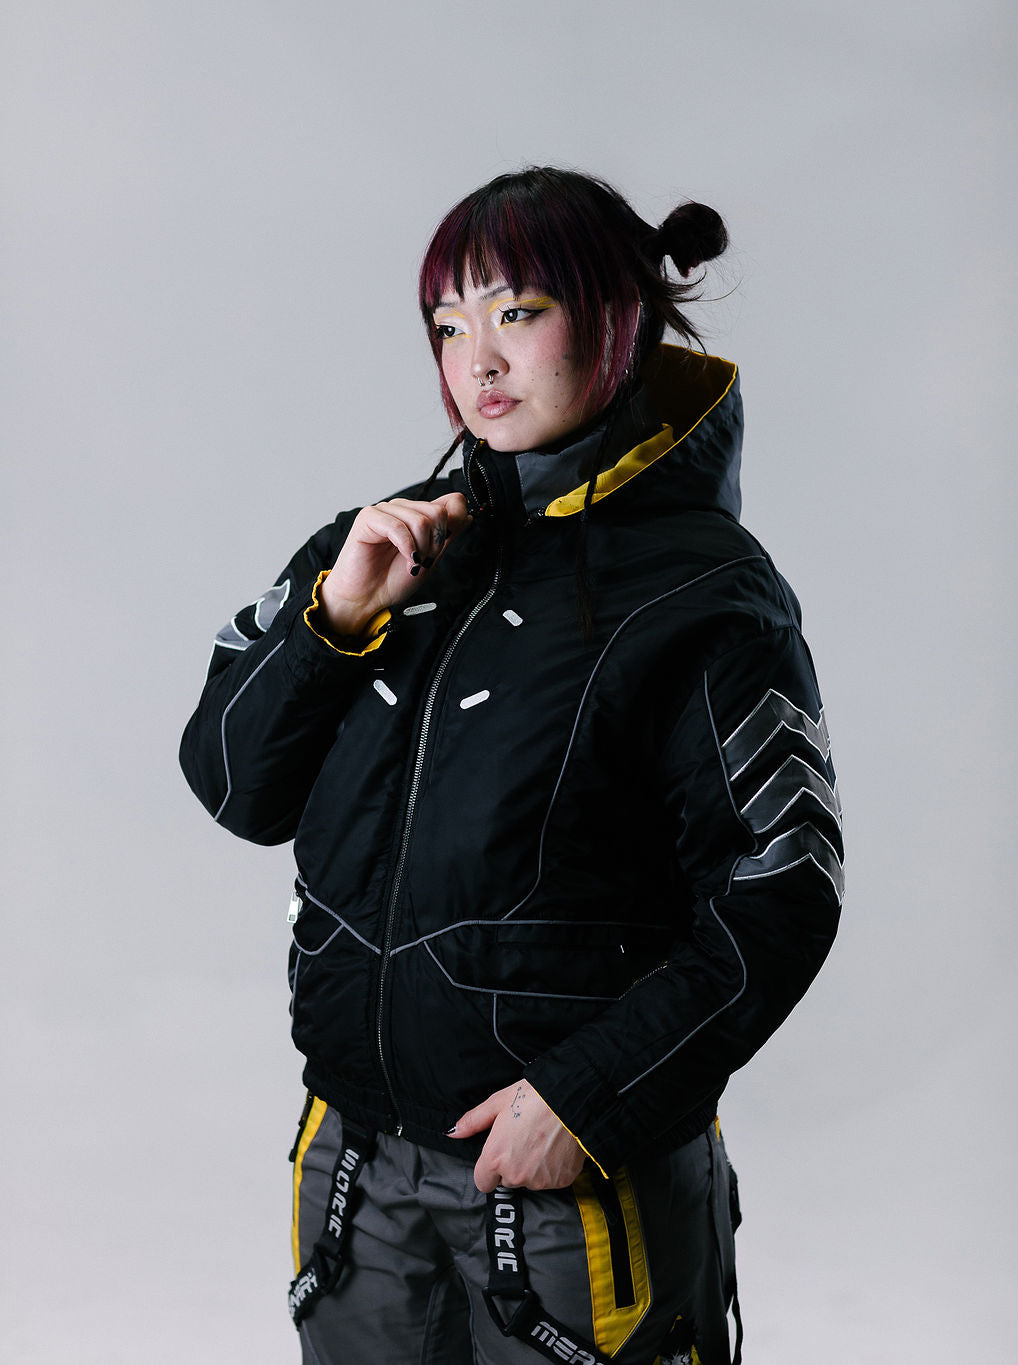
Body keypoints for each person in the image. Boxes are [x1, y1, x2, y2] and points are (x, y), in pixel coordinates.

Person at [180, 167, 843, 1365]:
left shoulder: (705, 590)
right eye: (448, 326)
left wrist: (590, 1097)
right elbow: (234, 789)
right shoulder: (382, 546)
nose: (476, 361)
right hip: (356, 1176)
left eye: (518, 313)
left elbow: (783, 887)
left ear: (619, 319)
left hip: (573, 1191)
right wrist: (333, 625)